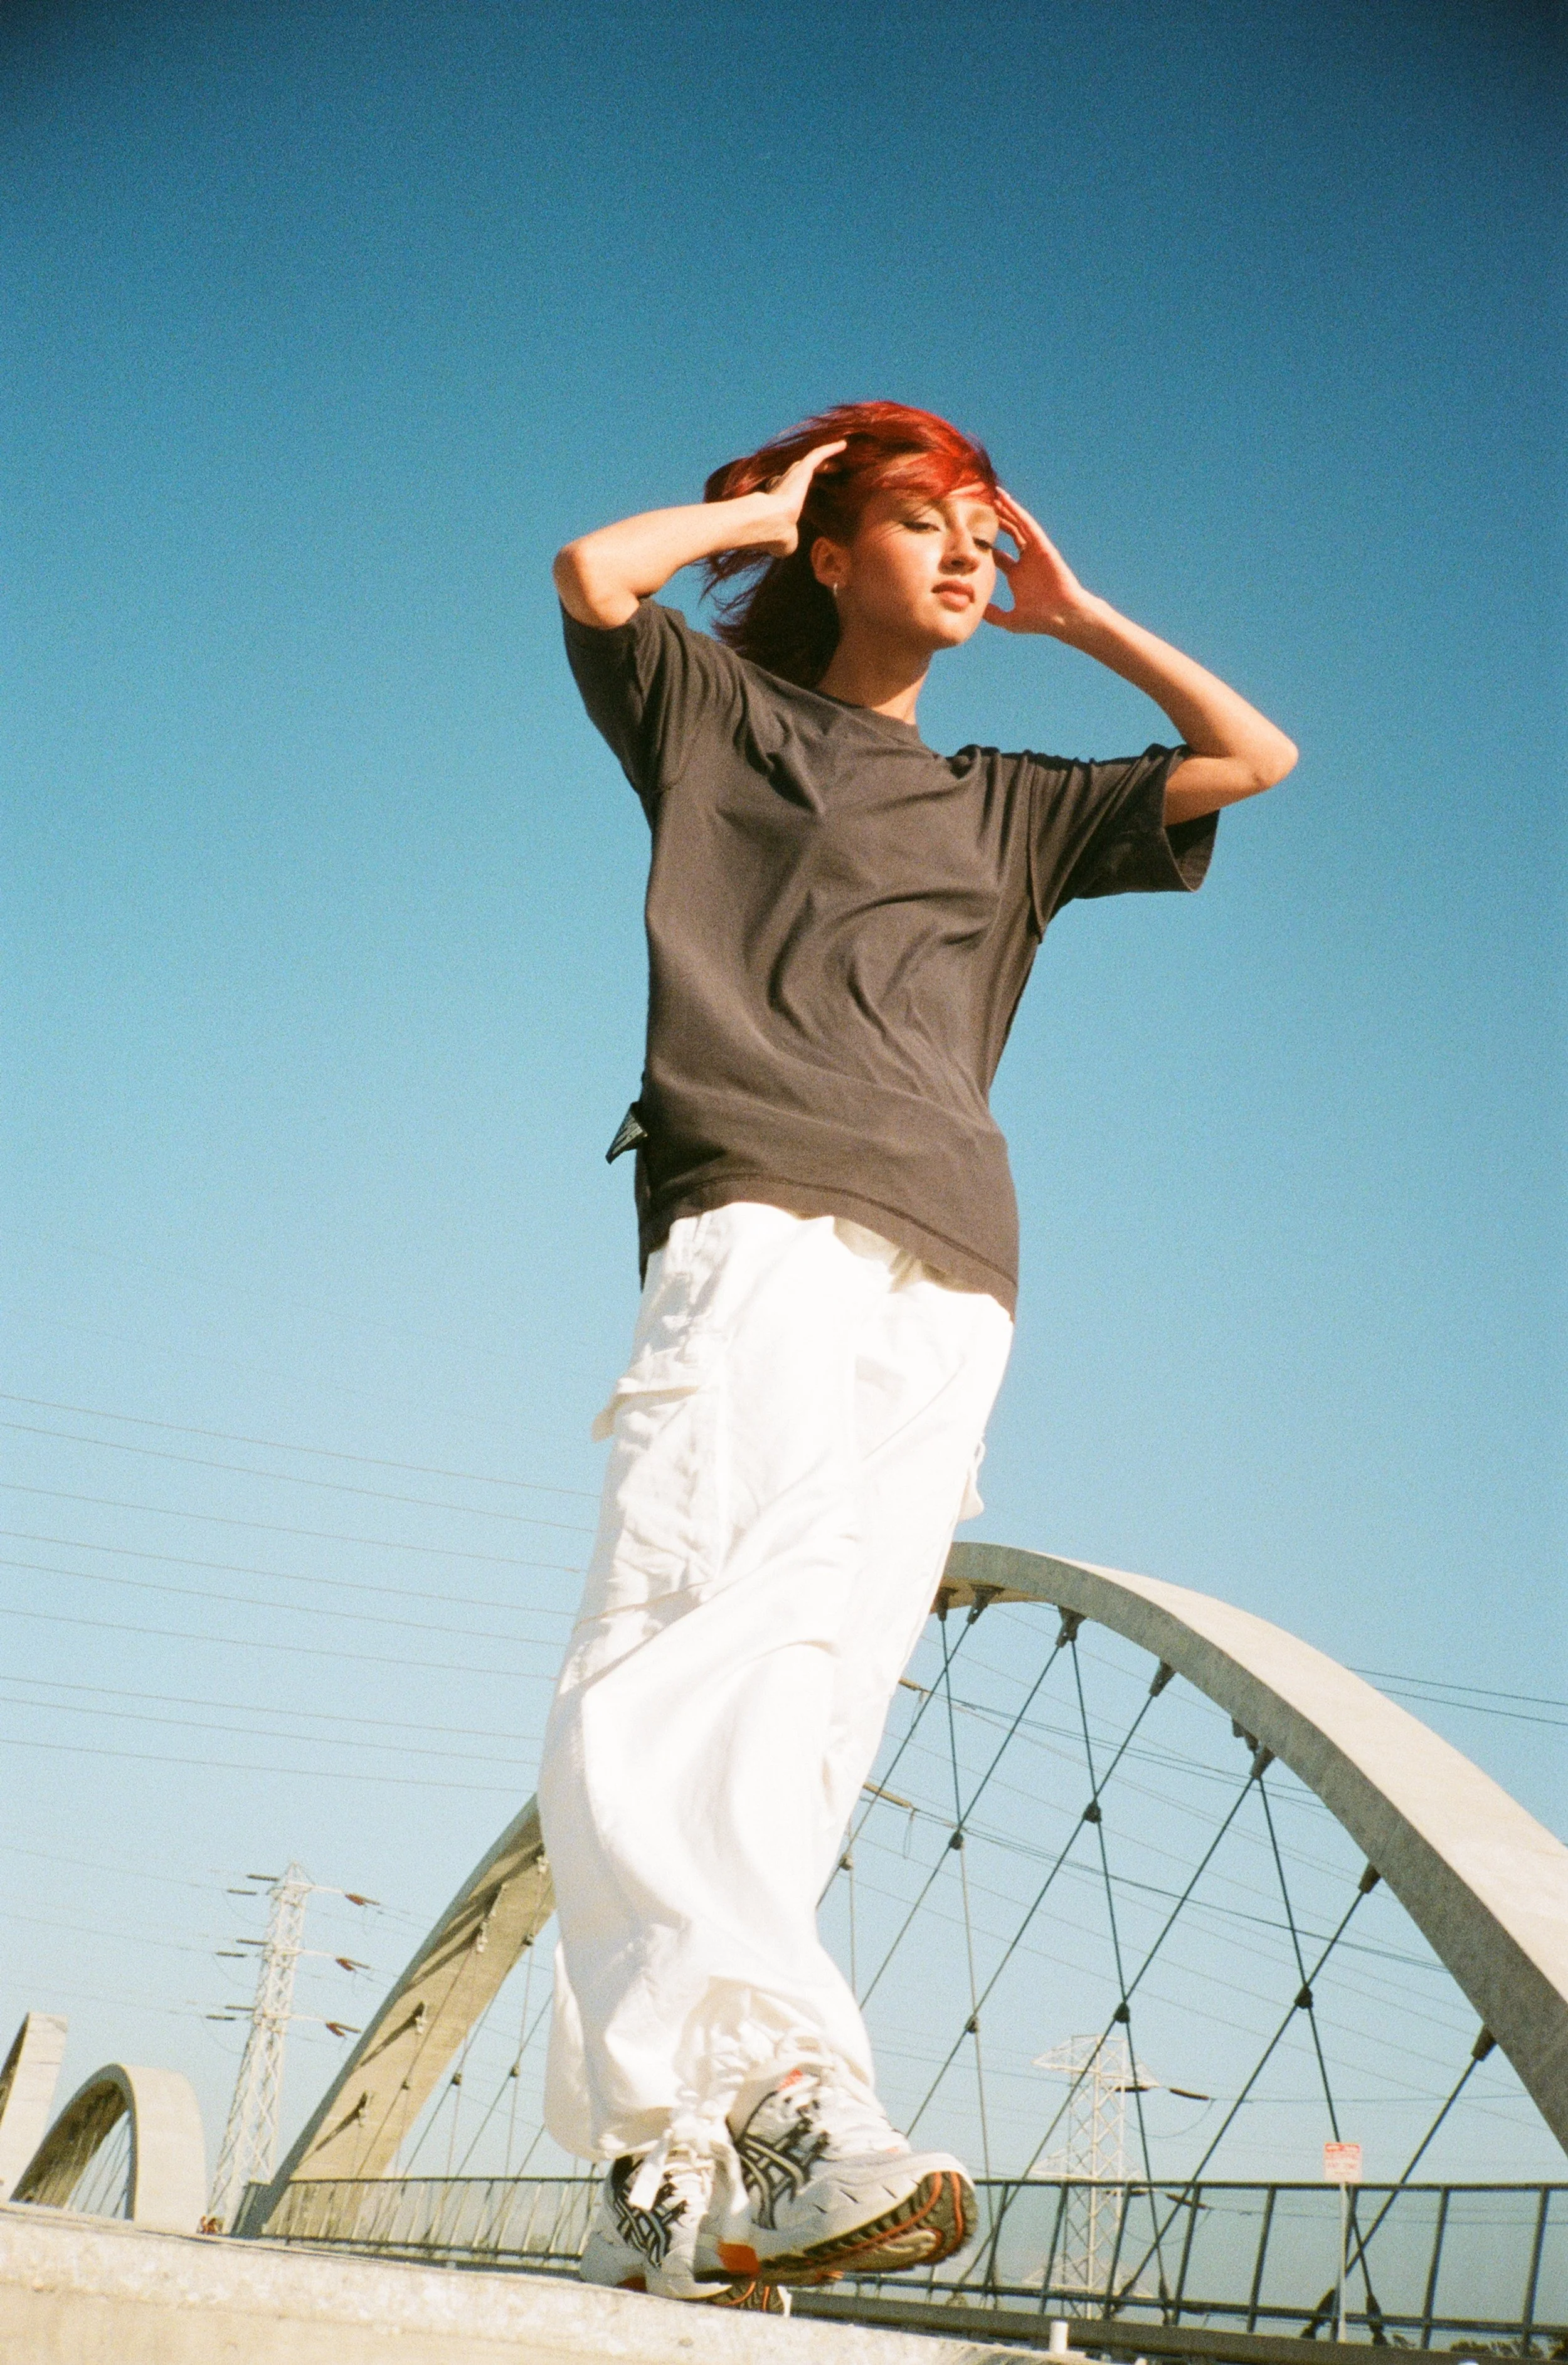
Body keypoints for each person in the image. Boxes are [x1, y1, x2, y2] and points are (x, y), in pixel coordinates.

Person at [537, 403, 1296, 2310]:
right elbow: (594, 577)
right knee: (681, 1644)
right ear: (819, 551)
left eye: (983, 527)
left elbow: (1251, 758)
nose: (968, 552)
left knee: (796, 1709)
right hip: (759, 1215)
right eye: (925, 524)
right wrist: (790, 494)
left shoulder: (1007, 803)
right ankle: (782, 2097)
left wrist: (1082, 614)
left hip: (952, 1266)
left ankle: (666, 2152)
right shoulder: (720, 721)